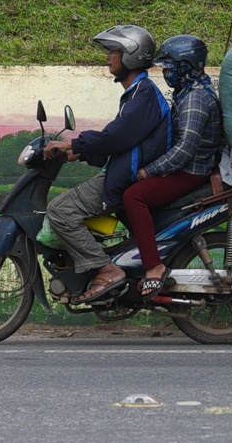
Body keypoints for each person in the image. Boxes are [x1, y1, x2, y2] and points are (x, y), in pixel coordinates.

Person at [43, 24, 170, 303]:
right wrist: (82, 151)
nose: (109, 56)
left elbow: (117, 137)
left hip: (125, 178)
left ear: (131, 56)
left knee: (60, 210)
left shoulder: (144, 94)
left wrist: (71, 144)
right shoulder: (136, 94)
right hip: (121, 173)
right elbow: (119, 141)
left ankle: (106, 269)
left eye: (115, 51)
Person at [120, 34, 225, 296]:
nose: (166, 71)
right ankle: (149, 248)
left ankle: (154, 266)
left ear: (187, 66)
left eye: (170, 66)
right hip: (186, 166)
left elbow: (184, 150)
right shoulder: (186, 92)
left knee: (133, 196)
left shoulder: (195, 99)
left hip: (191, 171)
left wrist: (148, 171)